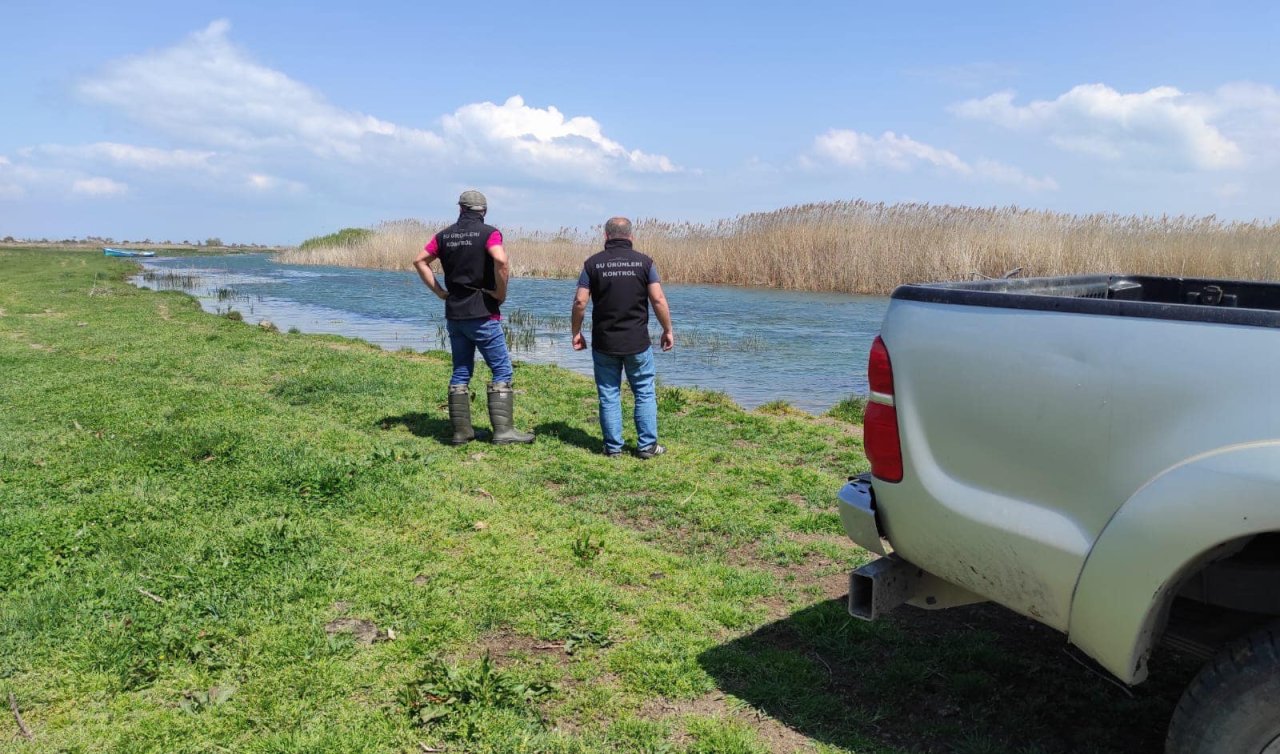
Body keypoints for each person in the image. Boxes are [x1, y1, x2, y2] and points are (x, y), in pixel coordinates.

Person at [413, 190, 534, 445]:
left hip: (455, 313)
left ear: (460, 209)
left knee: (461, 370)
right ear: (484, 211)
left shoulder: (443, 236)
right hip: (482, 312)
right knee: (501, 368)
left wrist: (439, 292)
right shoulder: (489, 233)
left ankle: (461, 432)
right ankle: (503, 432)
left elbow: (419, 261)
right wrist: (500, 293)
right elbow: (501, 260)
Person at [571, 216, 674, 458]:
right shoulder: (645, 263)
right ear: (630, 237)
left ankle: (613, 448)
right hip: (637, 342)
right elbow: (658, 299)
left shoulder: (592, 264)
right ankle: (647, 446)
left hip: (605, 343)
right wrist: (667, 329)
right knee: (644, 391)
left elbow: (580, 301)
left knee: (609, 393)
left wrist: (576, 331)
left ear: (606, 236)